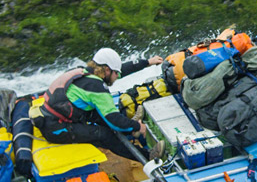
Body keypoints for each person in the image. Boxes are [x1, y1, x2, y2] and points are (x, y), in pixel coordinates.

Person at [34, 48, 164, 161]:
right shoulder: (96, 87)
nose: (117, 77)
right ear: (107, 70)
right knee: (104, 134)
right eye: (115, 73)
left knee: (101, 116)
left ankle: (129, 130)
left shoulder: (84, 72)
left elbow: (120, 70)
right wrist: (138, 126)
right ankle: (148, 156)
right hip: (56, 129)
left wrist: (147, 63)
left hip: (55, 117)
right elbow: (114, 121)